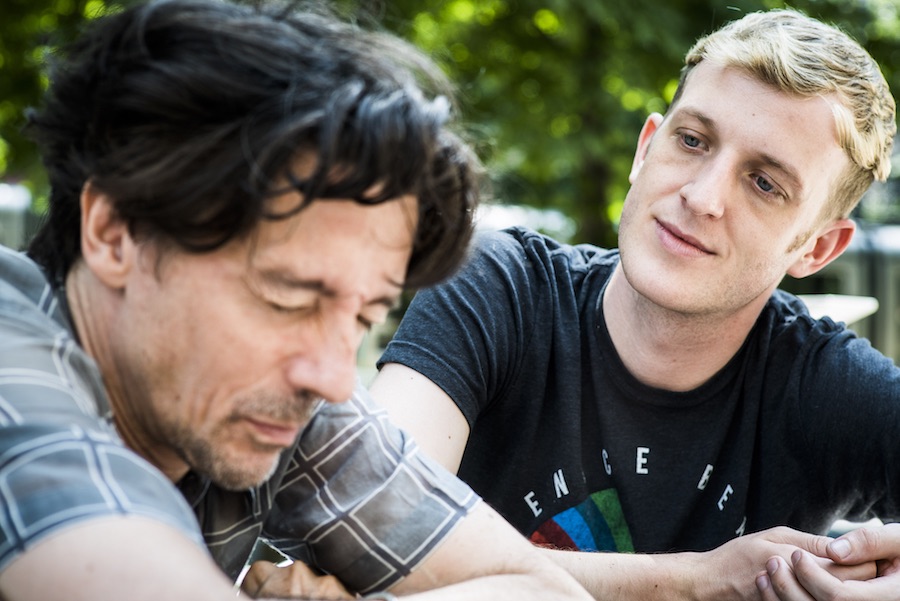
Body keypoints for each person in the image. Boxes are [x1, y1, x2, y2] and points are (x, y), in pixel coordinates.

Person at [0, 1, 593, 600]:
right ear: (115, 232)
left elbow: (544, 590)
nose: (335, 381)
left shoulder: (271, 389)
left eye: (363, 317)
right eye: (287, 299)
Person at [370, 8, 900, 601]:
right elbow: (377, 519)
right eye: (693, 141)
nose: (702, 197)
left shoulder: (826, 385)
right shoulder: (500, 288)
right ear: (645, 151)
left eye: (764, 183)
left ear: (816, 246)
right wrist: (693, 583)